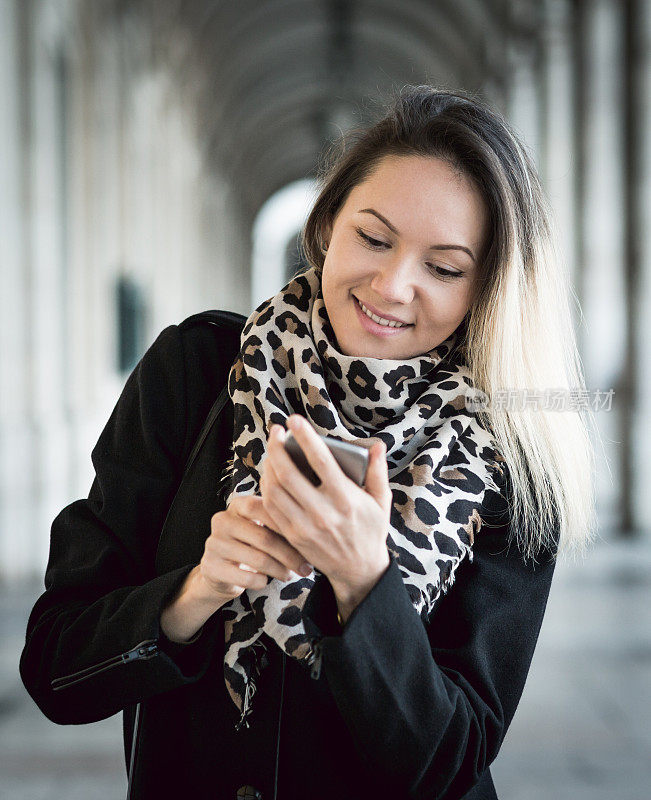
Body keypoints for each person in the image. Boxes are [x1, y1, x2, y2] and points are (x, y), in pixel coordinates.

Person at [20, 85, 596, 800]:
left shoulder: (507, 461)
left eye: (443, 268)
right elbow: (55, 669)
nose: (391, 285)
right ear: (326, 226)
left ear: (486, 288)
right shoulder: (196, 372)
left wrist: (363, 584)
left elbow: (451, 763)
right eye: (373, 238)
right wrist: (195, 593)